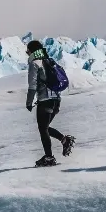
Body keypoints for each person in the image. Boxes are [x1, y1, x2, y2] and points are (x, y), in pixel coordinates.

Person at [25, 39, 75, 167]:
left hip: (45, 101)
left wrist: (29, 102)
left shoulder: (34, 63)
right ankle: (64, 140)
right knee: (45, 127)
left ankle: (49, 157)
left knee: (43, 128)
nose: (26, 52)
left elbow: (32, 85)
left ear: (32, 51)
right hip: (56, 100)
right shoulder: (49, 61)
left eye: (28, 50)